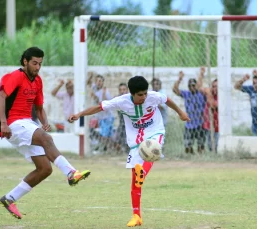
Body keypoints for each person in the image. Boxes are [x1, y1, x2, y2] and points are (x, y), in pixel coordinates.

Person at [68, 76, 190, 227]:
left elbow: (167, 100)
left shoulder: (153, 97)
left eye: (145, 93)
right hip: (135, 141)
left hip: (155, 131)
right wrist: (79, 114)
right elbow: (99, 107)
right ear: (132, 94)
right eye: (140, 95)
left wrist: (180, 112)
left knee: (154, 150)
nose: (144, 97)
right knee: (135, 182)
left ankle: (142, 173)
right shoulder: (122, 101)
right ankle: (136, 216)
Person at [0, 47, 90, 220]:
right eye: (34, 63)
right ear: (25, 61)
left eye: (40, 64)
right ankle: (70, 173)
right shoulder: (17, 76)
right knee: (47, 139)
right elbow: (0, 97)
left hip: (27, 123)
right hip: (13, 124)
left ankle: (9, 198)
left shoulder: (37, 81)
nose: (37, 67)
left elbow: (38, 108)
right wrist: (3, 123)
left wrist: (45, 122)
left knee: (45, 169)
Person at [173, 70, 206, 154]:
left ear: (196, 86)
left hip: (200, 123)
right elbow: (175, 90)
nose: (192, 87)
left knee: (201, 145)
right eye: (190, 86)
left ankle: (200, 160)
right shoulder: (187, 94)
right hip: (189, 123)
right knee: (187, 146)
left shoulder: (201, 94)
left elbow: (200, 85)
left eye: (193, 85)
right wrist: (180, 79)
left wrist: (201, 74)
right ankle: (190, 159)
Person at [234, 70, 257, 136]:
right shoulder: (251, 89)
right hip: (255, 123)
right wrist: (243, 79)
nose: (256, 84)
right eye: (254, 83)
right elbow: (236, 86)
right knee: (256, 142)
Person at [86, 73, 115, 151]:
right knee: (105, 135)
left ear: (103, 82)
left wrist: (96, 97)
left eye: (100, 81)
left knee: (105, 136)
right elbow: (87, 82)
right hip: (101, 117)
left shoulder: (105, 91)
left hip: (107, 117)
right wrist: (90, 76)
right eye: (97, 81)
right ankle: (108, 148)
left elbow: (103, 105)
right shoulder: (95, 88)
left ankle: (106, 149)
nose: (99, 82)